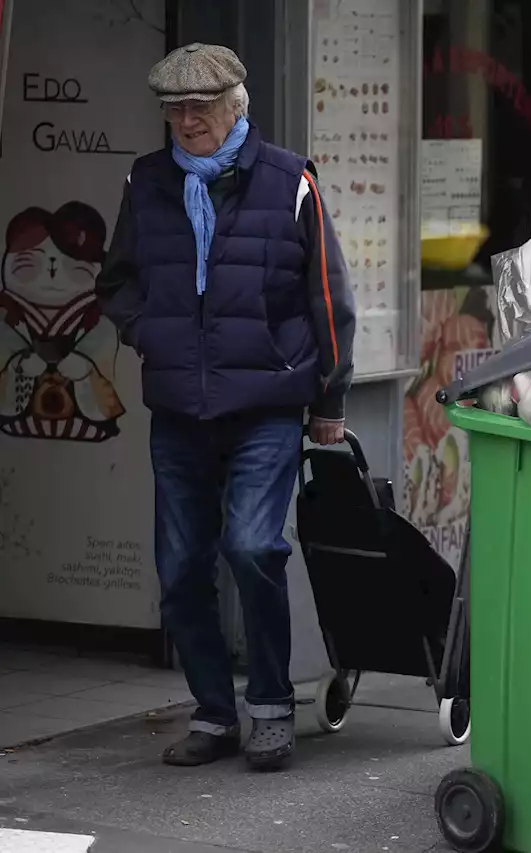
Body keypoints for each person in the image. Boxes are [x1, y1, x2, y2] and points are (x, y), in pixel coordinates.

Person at [95, 43, 356, 770]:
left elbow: (328, 297)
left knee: (251, 546)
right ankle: (214, 712)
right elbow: (116, 282)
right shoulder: (146, 183)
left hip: (267, 401)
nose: (185, 122)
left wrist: (328, 396)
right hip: (180, 405)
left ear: (236, 106)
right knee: (179, 568)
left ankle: (270, 704)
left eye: (200, 109)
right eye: (175, 110)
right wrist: (150, 334)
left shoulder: (288, 180)